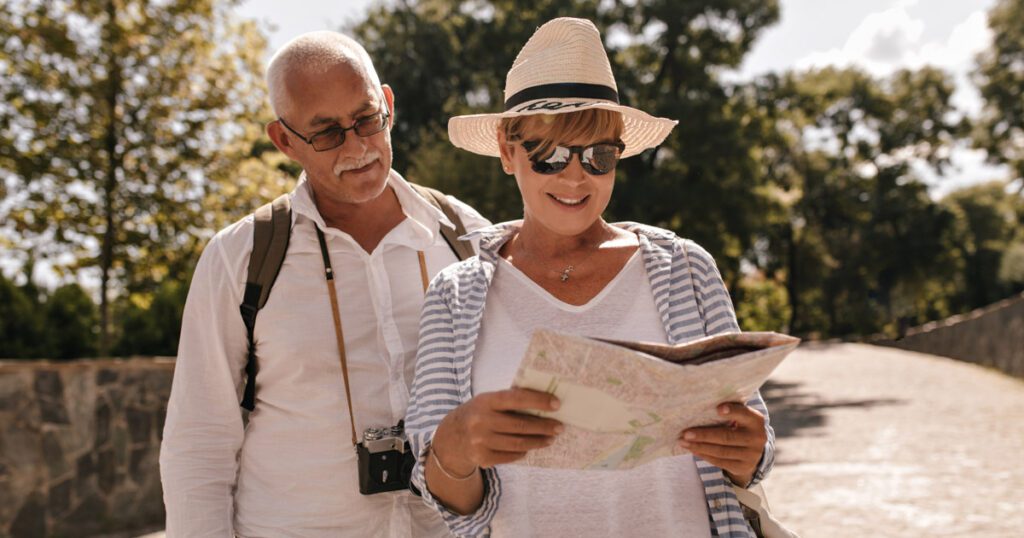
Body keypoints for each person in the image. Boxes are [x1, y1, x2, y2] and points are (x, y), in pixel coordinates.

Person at [405, 18, 774, 537]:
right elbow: (443, 492)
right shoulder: (455, 295)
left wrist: (747, 449)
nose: (576, 177)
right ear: (509, 153)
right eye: (550, 155)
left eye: (599, 155)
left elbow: (752, 451)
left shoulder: (687, 269)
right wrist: (457, 442)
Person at [159, 31, 489, 537]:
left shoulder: (467, 235)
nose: (358, 146)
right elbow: (198, 445)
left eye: (366, 119)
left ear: (389, 105)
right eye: (328, 132)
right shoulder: (239, 259)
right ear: (285, 141)